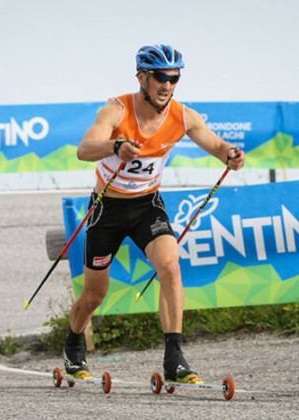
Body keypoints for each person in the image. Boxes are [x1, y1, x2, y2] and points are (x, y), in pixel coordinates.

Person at [64, 44, 246, 384]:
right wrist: (115, 146)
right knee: (95, 294)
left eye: (174, 78)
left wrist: (232, 155)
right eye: (160, 77)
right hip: (108, 208)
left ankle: (174, 358)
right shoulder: (116, 110)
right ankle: (73, 342)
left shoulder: (183, 116)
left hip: (147, 206)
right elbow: (83, 150)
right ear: (142, 78)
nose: (167, 84)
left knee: (171, 266)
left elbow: (218, 146)